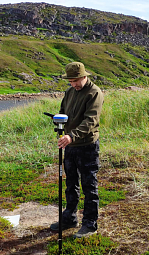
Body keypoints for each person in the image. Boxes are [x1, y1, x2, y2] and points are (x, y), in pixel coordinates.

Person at [50, 62, 104, 239]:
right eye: (71, 81)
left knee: (89, 185)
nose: (74, 84)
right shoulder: (69, 92)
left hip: (87, 145)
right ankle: (69, 218)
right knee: (70, 183)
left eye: (76, 80)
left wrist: (72, 135)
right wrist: (59, 124)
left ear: (84, 76)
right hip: (69, 146)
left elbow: (91, 121)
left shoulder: (94, 92)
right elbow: (63, 112)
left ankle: (90, 224)